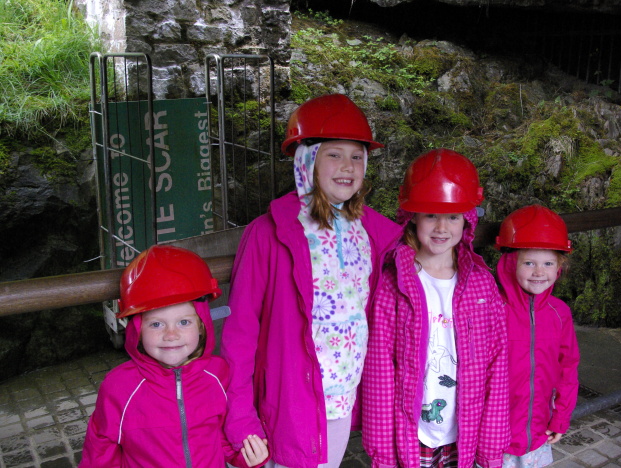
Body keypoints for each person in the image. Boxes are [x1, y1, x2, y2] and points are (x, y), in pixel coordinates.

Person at [221, 94, 402, 468]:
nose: (347, 166)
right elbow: (240, 331)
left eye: (357, 156)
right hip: (288, 403)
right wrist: (240, 415)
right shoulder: (269, 234)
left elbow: (434, 241)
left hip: (342, 399)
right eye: (334, 154)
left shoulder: (372, 232)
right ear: (307, 159)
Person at [362, 148, 510, 468]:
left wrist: (491, 447)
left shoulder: (482, 285)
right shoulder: (393, 283)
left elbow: (497, 367)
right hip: (412, 435)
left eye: (453, 216)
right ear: (412, 216)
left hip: (464, 433)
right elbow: (379, 369)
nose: (442, 227)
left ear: (467, 219)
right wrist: (382, 453)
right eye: (431, 214)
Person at [80, 245, 269, 468]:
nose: (171, 335)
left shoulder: (218, 374)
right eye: (157, 324)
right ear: (137, 329)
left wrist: (244, 457)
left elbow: (218, 435)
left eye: (184, 322)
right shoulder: (119, 387)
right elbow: (101, 449)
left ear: (202, 325)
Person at [494, 205, 581, 468]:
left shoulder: (559, 312)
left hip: (537, 432)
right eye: (529, 262)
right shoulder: (492, 307)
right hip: (492, 435)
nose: (539, 272)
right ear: (511, 263)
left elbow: (568, 368)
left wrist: (561, 418)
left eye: (548, 263)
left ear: (559, 268)